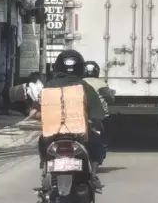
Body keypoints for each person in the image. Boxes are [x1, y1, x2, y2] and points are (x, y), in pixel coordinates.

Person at [40, 49, 107, 189]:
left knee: (41, 141)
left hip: (53, 134)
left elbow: (35, 111)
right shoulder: (85, 87)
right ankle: (93, 175)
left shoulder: (49, 86)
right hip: (79, 133)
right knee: (97, 143)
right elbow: (97, 115)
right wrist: (96, 124)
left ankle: (44, 170)